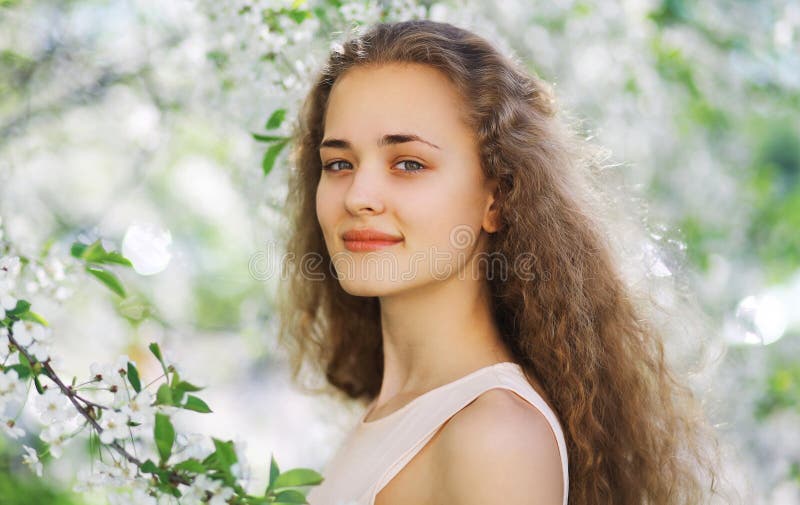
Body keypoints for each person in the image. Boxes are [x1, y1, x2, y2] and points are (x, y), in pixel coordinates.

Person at [277, 19, 723, 505]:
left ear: (497, 197)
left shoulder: (495, 437)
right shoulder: (401, 411)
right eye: (339, 164)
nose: (359, 196)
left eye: (408, 163)